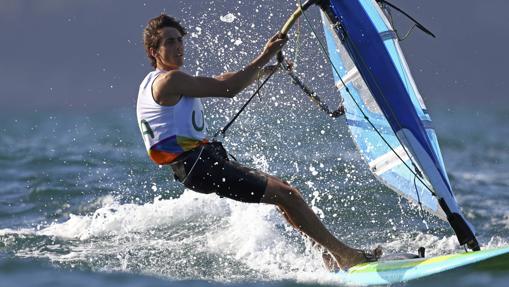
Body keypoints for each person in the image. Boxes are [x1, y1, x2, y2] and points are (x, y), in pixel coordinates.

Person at [136, 14, 381, 270]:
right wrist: (265, 54)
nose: (178, 47)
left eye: (179, 40)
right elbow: (228, 89)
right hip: (199, 167)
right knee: (286, 195)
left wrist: (265, 70)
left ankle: (329, 255)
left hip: (197, 165)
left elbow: (222, 80)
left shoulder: (156, 82)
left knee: (284, 192)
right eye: (169, 43)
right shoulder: (168, 81)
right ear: (154, 51)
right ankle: (345, 255)